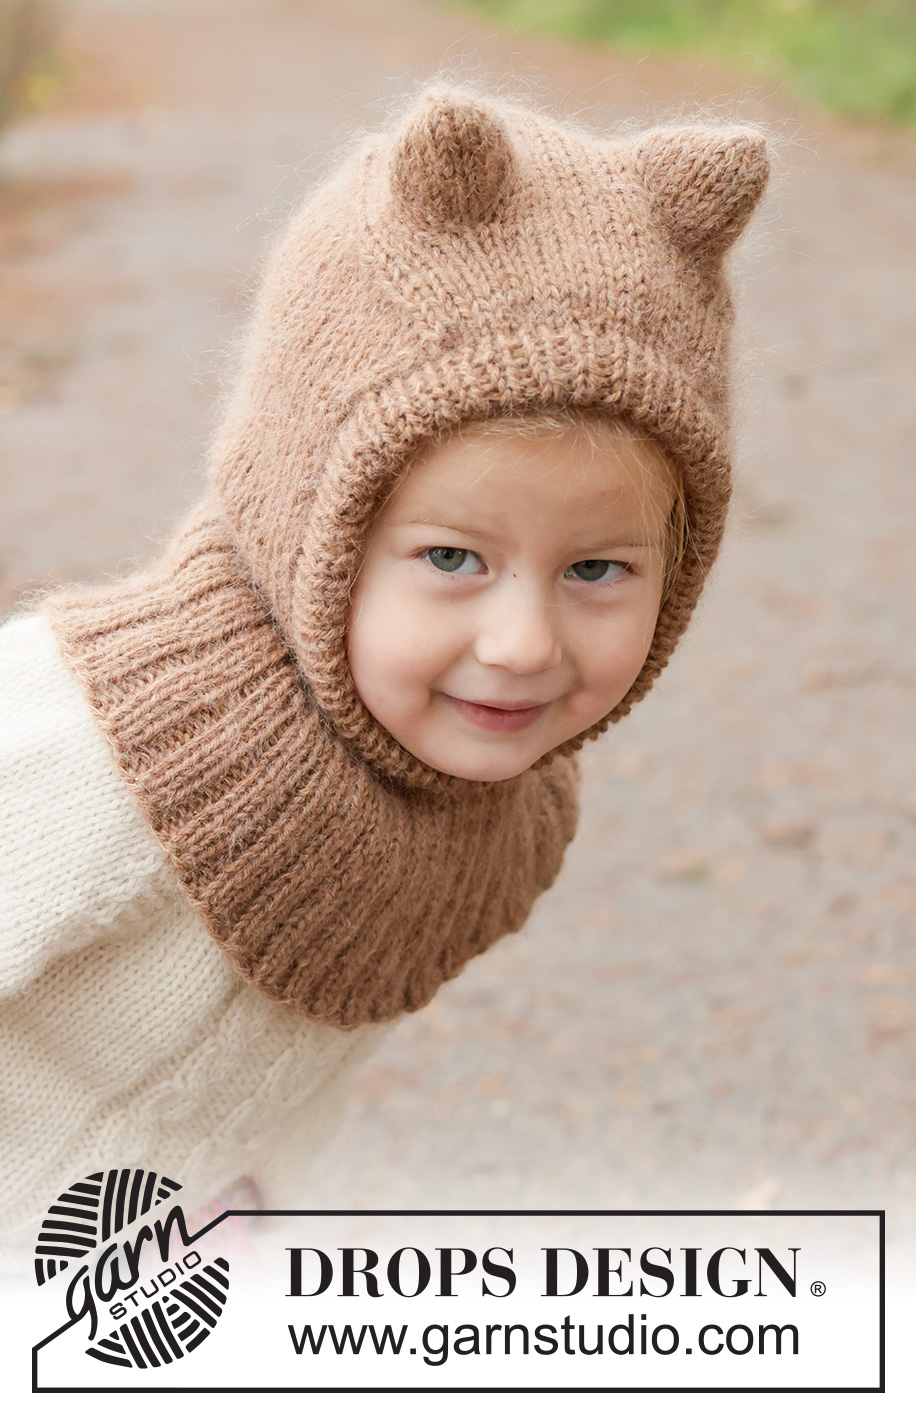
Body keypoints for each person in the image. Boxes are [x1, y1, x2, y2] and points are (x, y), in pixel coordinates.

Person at [0, 83, 769, 1267]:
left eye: (598, 568)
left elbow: (281, 1072)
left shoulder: (501, 814)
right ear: (307, 520)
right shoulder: (96, 746)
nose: (523, 642)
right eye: (452, 557)